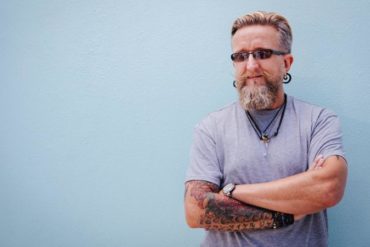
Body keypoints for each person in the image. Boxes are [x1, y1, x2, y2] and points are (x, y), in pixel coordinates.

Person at [184, 11, 348, 247]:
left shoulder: (318, 120)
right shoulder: (210, 128)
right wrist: (288, 211)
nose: (251, 66)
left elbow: (327, 188)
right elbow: (195, 211)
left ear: (286, 63)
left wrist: (231, 190)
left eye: (262, 54)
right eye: (240, 56)